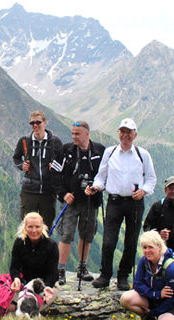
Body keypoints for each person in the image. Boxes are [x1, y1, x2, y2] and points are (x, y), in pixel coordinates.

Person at [85, 118, 157, 290]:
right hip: (114, 201)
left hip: (135, 203)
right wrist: (96, 187)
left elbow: (151, 179)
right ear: (118, 133)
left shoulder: (142, 154)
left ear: (135, 135)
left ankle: (123, 277)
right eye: (122, 132)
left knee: (131, 242)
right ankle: (105, 275)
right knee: (109, 241)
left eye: (129, 132)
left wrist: (144, 191)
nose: (125, 135)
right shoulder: (110, 153)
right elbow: (101, 177)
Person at [52, 120, 105, 285]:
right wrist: (63, 194)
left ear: (87, 134)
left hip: (91, 201)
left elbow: (106, 174)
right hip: (70, 201)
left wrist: (97, 188)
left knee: (87, 234)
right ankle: (60, 270)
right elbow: (54, 173)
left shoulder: (100, 150)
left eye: (77, 134)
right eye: (72, 133)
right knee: (66, 234)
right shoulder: (66, 150)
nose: (73, 136)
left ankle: (82, 268)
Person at [120, 230, 174, 320]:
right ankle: (149, 317)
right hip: (153, 298)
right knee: (125, 299)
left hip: (172, 306)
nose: (147, 251)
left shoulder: (172, 269)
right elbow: (137, 284)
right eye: (144, 247)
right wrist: (156, 294)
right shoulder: (144, 261)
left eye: (151, 247)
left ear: (159, 247)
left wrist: (153, 312)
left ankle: (153, 316)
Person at [12, 110, 64, 227]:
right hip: (29, 190)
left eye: (38, 122)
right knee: (28, 225)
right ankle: (29, 246)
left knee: (46, 225)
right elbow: (16, 158)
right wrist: (22, 166)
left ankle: (45, 245)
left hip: (48, 191)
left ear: (45, 123)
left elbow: (63, 164)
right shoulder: (24, 141)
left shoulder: (55, 142)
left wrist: (55, 168)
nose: (35, 125)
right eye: (32, 123)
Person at [9, 212, 58, 308]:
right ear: (25, 228)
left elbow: (53, 273)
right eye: (30, 227)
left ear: (42, 227)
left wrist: (47, 287)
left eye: (37, 227)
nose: (34, 230)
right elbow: (14, 267)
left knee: (33, 307)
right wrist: (16, 278)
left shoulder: (51, 245)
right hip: (25, 283)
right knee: (12, 307)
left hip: (47, 284)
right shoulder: (19, 243)